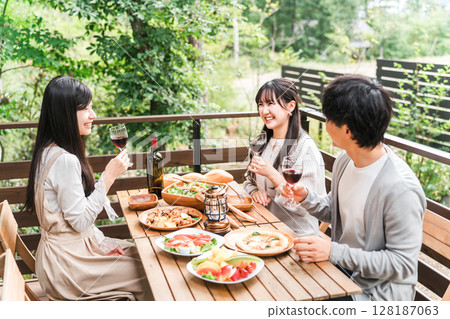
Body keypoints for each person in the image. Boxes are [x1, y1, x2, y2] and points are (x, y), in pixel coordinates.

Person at [280, 75, 426, 301]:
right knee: (281, 279)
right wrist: (306, 197)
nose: (326, 123)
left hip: (375, 294)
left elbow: (402, 264)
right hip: (342, 273)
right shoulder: (345, 160)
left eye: (328, 118)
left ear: (347, 131)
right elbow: (335, 209)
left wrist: (332, 251)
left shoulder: (400, 189)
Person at [23, 75, 152, 301]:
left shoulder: (47, 151)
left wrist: (102, 243)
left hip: (64, 256)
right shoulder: (64, 160)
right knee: (151, 273)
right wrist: (109, 176)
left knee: (145, 256)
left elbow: (76, 219)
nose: (93, 115)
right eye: (85, 109)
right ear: (65, 113)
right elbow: (80, 221)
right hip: (68, 268)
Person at [243, 78, 326, 236]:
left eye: (270, 103)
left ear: (291, 106)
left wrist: (273, 175)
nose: (264, 111)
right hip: (264, 226)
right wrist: (254, 191)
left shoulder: (305, 148)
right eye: (261, 104)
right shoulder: (261, 142)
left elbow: (305, 207)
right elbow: (248, 181)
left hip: (297, 235)